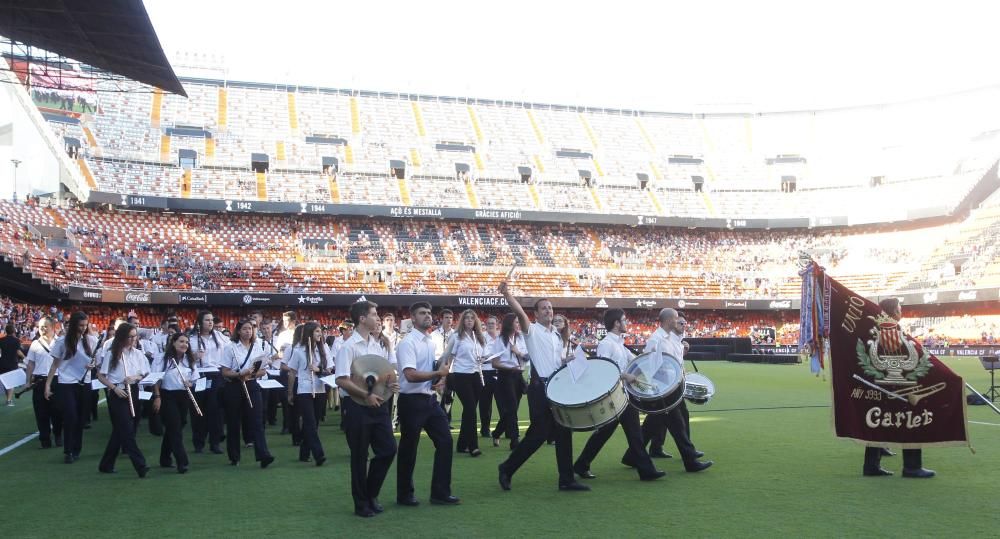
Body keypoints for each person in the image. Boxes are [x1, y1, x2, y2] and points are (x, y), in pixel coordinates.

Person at [496, 281, 589, 492]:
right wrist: (508, 294)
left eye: (550, 307)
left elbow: (554, 363)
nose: (549, 311)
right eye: (544, 308)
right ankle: (507, 468)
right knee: (538, 435)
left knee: (564, 431)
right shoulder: (532, 331)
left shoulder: (556, 336)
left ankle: (566, 479)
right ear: (536, 314)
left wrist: (567, 362)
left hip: (556, 388)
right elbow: (519, 313)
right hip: (540, 388)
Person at [574, 309, 665, 481]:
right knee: (619, 433)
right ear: (616, 323)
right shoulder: (607, 344)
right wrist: (626, 376)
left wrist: (653, 352)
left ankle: (582, 465)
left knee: (628, 434)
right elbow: (602, 369)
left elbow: (637, 361)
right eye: (624, 320)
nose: (627, 323)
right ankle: (646, 470)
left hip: (622, 396)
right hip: (613, 396)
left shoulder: (619, 344)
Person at [335, 300, 399, 518]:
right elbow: (342, 380)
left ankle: (371, 493)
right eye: (374, 314)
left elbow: (378, 375)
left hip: (378, 405)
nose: (377, 318)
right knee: (359, 457)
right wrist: (366, 395)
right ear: (362, 318)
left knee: (389, 449)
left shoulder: (376, 344)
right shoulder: (348, 347)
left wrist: (388, 384)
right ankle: (361, 503)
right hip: (357, 407)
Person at [394, 301, 460, 506]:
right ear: (412, 318)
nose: (428, 316)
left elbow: (427, 371)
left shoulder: (431, 342)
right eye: (422, 313)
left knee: (445, 442)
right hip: (411, 401)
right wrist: (438, 373)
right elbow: (410, 375)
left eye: (429, 313)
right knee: (408, 449)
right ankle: (404, 494)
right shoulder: (407, 343)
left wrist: (438, 380)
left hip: (428, 399)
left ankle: (440, 492)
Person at [630, 309, 712, 473]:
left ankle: (631, 456)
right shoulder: (656, 339)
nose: (679, 322)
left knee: (657, 422)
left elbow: (675, 363)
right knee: (678, 425)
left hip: (673, 387)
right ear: (668, 321)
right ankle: (690, 461)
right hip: (663, 389)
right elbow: (649, 366)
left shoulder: (671, 339)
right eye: (676, 319)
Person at [863, 298, 934, 478]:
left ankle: (871, 466)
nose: (901, 312)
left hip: (881, 383)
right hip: (898, 384)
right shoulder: (893, 331)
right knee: (911, 421)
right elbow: (912, 356)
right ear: (894, 312)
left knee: (877, 423)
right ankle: (912, 466)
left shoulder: (876, 330)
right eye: (900, 309)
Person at [96, 323, 151, 477]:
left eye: (135, 336)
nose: (134, 339)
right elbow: (100, 376)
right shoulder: (112, 354)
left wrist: (134, 377)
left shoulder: (138, 354)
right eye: (131, 336)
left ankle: (106, 464)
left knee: (121, 430)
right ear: (122, 337)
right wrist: (114, 388)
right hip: (118, 392)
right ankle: (141, 465)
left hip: (133, 390)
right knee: (126, 430)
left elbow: (145, 373)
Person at [219, 320, 275, 469]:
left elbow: (263, 370)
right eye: (244, 329)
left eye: (250, 329)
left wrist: (251, 375)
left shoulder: (258, 347)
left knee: (257, 420)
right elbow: (224, 371)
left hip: (251, 385)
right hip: (234, 387)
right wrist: (239, 374)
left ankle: (263, 455)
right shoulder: (230, 348)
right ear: (238, 331)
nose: (248, 331)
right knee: (234, 422)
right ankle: (234, 456)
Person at [46, 312, 98, 464]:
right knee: (70, 416)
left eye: (85, 325)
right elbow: (55, 364)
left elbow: (96, 362)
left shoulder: (91, 340)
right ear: (74, 324)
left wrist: (92, 365)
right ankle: (68, 450)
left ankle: (76, 449)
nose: (82, 328)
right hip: (66, 383)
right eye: (80, 325)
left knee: (81, 418)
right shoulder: (62, 342)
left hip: (85, 383)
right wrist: (48, 384)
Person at [152, 332, 201, 474]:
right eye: (181, 341)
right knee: (174, 426)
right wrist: (157, 396)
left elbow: (194, 378)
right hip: (167, 395)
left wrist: (189, 383)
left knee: (177, 426)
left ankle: (164, 458)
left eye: (186, 342)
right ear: (173, 342)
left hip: (183, 395)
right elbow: (156, 379)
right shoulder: (162, 358)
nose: (184, 344)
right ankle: (182, 461)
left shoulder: (189, 359)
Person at [441, 309, 486, 457]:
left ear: (475, 321)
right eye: (466, 318)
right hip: (461, 376)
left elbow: (482, 355)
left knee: (469, 411)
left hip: (476, 376)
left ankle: (461, 444)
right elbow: (448, 357)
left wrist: (482, 359)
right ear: (462, 321)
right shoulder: (457, 337)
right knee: (471, 410)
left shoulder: (478, 336)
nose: (469, 321)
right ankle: (473, 446)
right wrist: (443, 377)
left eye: (472, 319)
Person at [286, 322, 330, 466]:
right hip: (304, 390)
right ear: (310, 333)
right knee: (310, 422)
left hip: (320, 389)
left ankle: (304, 453)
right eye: (317, 331)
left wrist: (318, 369)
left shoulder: (324, 348)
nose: (320, 334)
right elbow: (292, 372)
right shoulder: (298, 350)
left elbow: (329, 370)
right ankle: (319, 454)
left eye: (320, 331)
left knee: (314, 423)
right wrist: (290, 392)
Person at [489, 313, 527, 450]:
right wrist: (510, 367)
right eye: (516, 322)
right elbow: (495, 363)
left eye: (518, 322)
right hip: (506, 376)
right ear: (509, 324)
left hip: (518, 376)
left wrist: (518, 353)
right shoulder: (500, 340)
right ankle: (514, 439)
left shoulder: (521, 338)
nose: (518, 324)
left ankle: (497, 432)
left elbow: (527, 357)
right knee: (511, 408)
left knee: (512, 409)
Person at [190, 311, 225, 454]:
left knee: (215, 410)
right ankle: (199, 442)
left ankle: (215, 442)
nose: (210, 323)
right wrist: (194, 356)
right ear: (199, 322)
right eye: (207, 320)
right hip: (199, 374)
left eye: (211, 320)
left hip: (215, 374)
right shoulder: (191, 338)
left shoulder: (219, 337)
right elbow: (184, 357)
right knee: (198, 410)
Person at [24, 317, 61, 448]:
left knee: (57, 410)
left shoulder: (60, 342)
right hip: (39, 380)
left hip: (57, 380)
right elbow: (30, 364)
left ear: (53, 327)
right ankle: (44, 439)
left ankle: (58, 435)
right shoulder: (35, 344)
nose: (43, 329)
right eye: (40, 327)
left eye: (45, 326)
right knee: (41, 412)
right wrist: (27, 381)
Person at [479, 315, 499, 438]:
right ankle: (485, 429)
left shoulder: (502, 338)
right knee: (485, 403)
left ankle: (505, 429)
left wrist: (488, 357)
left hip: (499, 372)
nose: (491, 325)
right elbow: (480, 357)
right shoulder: (481, 338)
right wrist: (491, 358)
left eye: (493, 323)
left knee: (502, 403)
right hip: (485, 372)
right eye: (489, 323)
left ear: (497, 324)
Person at [1, 323, 25, 405]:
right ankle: (9, 400)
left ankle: (8, 398)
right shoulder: (17, 340)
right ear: (14, 331)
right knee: (11, 382)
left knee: (6, 382)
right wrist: (25, 358)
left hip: (2, 363)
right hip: (12, 363)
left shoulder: (1, 340)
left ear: (6, 331)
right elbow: (18, 351)